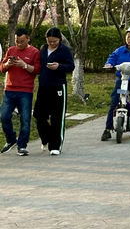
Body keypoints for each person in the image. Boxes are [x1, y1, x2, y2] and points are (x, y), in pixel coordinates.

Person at [33, 27, 75, 155]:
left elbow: (71, 66)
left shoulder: (64, 50)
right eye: (49, 41)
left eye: (54, 41)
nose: (51, 43)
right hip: (44, 86)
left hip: (58, 87)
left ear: (59, 39)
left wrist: (59, 67)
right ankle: (46, 138)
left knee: (57, 117)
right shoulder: (43, 49)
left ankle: (55, 146)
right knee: (39, 115)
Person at [0, 27, 41, 155]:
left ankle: (22, 145)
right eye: (17, 41)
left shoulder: (34, 52)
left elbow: (37, 70)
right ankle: (11, 139)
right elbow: (2, 68)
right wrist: (8, 65)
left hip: (25, 91)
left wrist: (24, 65)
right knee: (4, 116)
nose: (19, 44)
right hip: (10, 89)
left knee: (25, 119)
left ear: (28, 39)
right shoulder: (11, 50)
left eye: (22, 41)